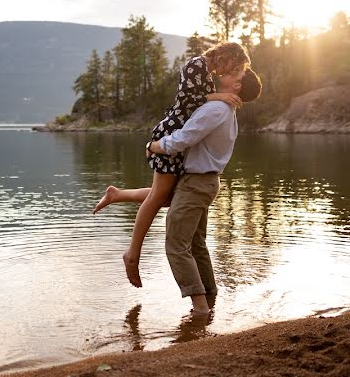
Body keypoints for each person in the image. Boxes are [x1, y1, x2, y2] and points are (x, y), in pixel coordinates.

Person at [94, 42, 250, 288]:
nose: (235, 71)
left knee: (168, 196)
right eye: (236, 66)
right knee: (158, 197)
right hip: (172, 132)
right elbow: (189, 100)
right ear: (226, 57)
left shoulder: (207, 72)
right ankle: (132, 254)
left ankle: (117, 194)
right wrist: (220, 95)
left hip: (179, 138)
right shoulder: (196, 65)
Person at [149, 67, 262, 314]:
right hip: (206, 182)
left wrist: (154, 145)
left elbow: (183, 138)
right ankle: (210, 296)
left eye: (235, 73)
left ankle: (200, 310)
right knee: (197, 243)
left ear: (237, 86)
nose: (225, 72)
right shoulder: (225, 108)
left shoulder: (216, 109)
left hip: (196, 184)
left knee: (176, 245)